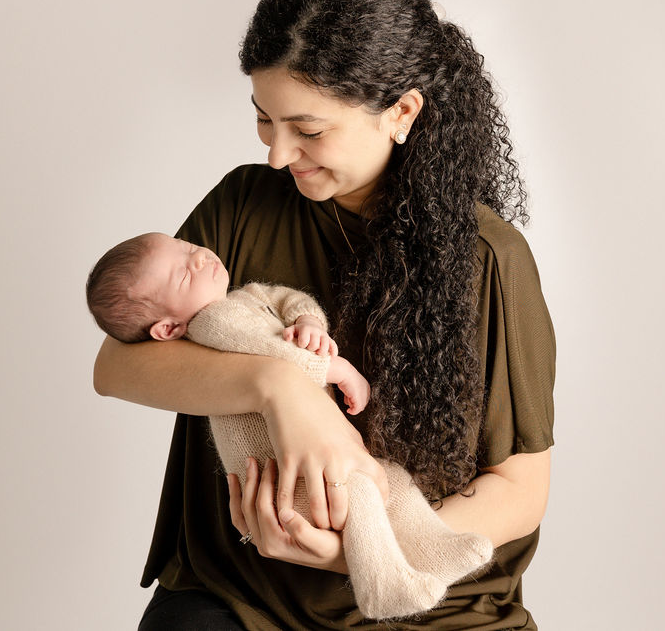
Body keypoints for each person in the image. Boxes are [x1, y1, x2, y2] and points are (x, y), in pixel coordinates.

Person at [93, 0, 556, 630]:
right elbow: (117, 363)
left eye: (307, 129)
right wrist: (278, 390)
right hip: (243, 593)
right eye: (263, 118)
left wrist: (358, 554)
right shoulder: (244, 203)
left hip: (430, 600)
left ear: (401, 113)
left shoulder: (491, 257)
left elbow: (521, 488)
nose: (277, 154)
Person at [86, 231, 494, 618]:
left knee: (392, 485)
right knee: (362, 496)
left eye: (187, 246)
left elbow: (289, 299)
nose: (198, 256)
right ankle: (382, 584)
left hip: (312, 458)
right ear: (168, 329)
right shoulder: (210, 324)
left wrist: (309, 322)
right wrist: (332, 367)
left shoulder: (246, 296)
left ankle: (434, 548)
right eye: (184, 272)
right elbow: (266, 353)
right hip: (282, 473)